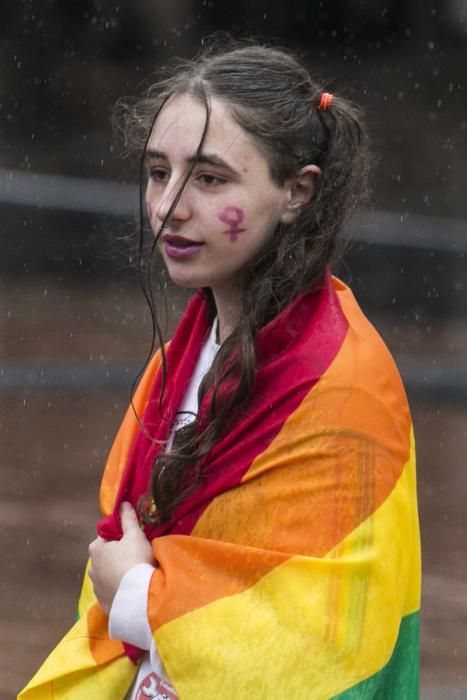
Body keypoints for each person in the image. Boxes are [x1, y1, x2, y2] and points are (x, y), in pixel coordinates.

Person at [19, 39, 421, 700]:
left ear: (296, 192)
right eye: (157, 171)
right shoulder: (180, 356)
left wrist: (135, 597)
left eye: (209, 179)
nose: (168, 206)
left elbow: (323, 642)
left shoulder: (345, 390)